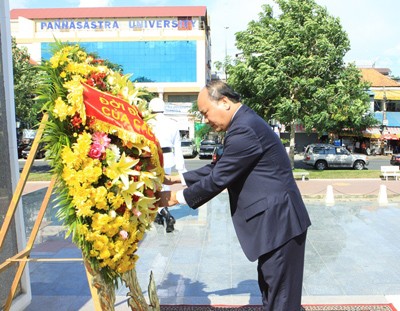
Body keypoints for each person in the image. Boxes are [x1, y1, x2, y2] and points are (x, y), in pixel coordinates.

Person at [158, 81, 311, 310]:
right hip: (275, 223)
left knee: (282, 300)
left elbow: (219, 179)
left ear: (224, 102)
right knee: (273, 294)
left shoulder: (244, 129)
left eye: (205, 112)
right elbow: (219, 169)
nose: (205, 120)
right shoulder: (243, 123)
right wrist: (176, 180)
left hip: (280, 223)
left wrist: (174, 198)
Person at [147, 97, 186, 233]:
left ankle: (165, 214)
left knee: (155, 190)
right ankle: (161, 214)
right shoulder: (172, 123)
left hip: (152, 158)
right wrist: (182, 169)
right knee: (164, 188)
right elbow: (178, 148)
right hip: (168, 158)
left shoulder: (148, 123)